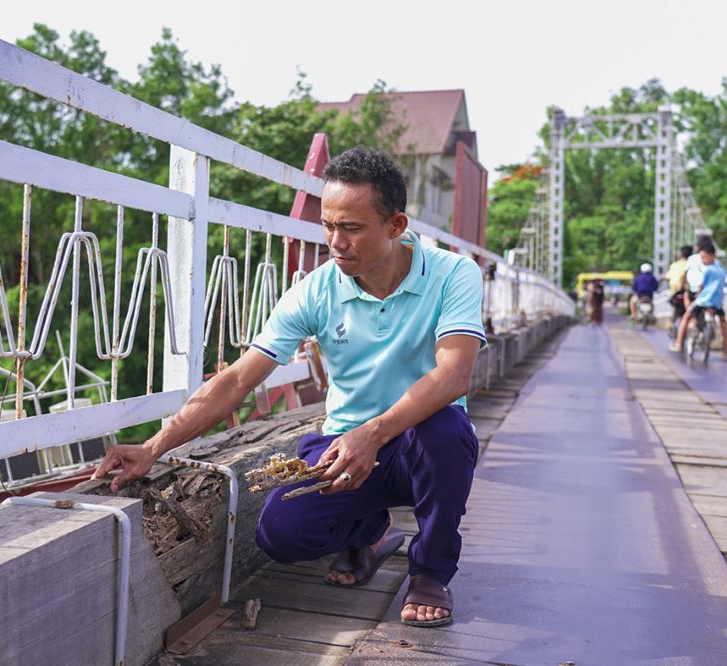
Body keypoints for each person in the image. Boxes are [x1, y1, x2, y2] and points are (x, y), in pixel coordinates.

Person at [91, 147, 485, 628]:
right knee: (280, 532)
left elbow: (454, 375)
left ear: (396, 225)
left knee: (446, 430)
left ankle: (430, 572)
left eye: (351, 228)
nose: (336, 242)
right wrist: (154, 447)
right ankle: (369, 532)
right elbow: (238, 378)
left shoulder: (453, 274)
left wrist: (373, 433)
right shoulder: (316, 290)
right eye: (328, 225)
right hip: (342, 445)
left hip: (418, 444)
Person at [669, 239, 727, 354]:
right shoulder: (721, 269)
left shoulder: (702, 266)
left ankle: (678, 343)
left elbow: (699, 284)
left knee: (687, 315)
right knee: (724, 321)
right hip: (717, 301)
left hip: (701, 298)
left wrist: (685, 287)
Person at [664, 245, 693, 325]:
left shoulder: (674, 265)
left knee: (672, 303)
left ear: (681, 254)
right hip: (689, 291)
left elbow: (667, 277)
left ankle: (673, 322)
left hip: (675, 292)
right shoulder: (693, 265)